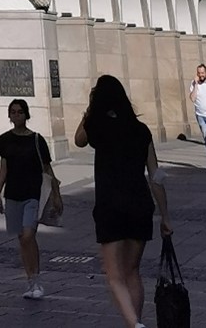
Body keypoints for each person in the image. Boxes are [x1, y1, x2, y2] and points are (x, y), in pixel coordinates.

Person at [75, 75, 171, 328]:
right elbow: (156, 175)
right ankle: (136, 320)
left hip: (110, 205)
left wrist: (90, 108)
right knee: (132, 271)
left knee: (114, 275)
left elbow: (78, 139)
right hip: (140, 204)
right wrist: (165, 216)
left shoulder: (97, 125)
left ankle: (134, 325)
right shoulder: (141, 130)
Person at [0, 98, 62, 300]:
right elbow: (3, 167)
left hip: (33, 193)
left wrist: (57, 195)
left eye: (20, 112)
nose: (16, 115)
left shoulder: (37, 139)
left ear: (26, 114)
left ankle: (37, 280)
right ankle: (30, 281)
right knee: (21, 240)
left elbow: (47, 168)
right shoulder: (5, 139)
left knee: (27, 235)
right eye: (13, 112)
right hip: (13, 193)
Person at [188, 62, 206, 167]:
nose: (201, 75)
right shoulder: (194, 84)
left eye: (202, 73)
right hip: (200, 116)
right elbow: (192, 98)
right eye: (199, 73)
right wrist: (196, 85)